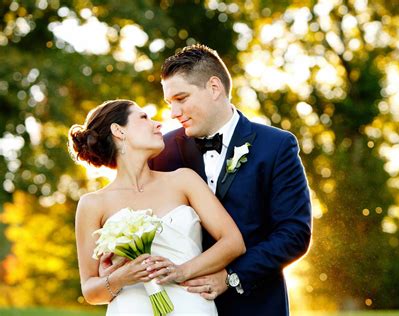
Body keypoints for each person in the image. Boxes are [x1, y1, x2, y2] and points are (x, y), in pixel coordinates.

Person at [149, 44, 312, 315]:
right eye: (169, 103)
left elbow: (294, 233)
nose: (173, 113)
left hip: (256, 304)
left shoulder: (276, 146)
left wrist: (231, 276)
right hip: (180, 305)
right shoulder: (162, 151)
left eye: (181, 98)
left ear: (214, 88)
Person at [69, 99, 245, 315]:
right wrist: (122, 277)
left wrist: (182, 271)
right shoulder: (93, 204)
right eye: (143, 118)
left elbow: (234, 242)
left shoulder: (184, 180)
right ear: (118, 130)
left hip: (191, 306)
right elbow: (90, 291)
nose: (158, 124)